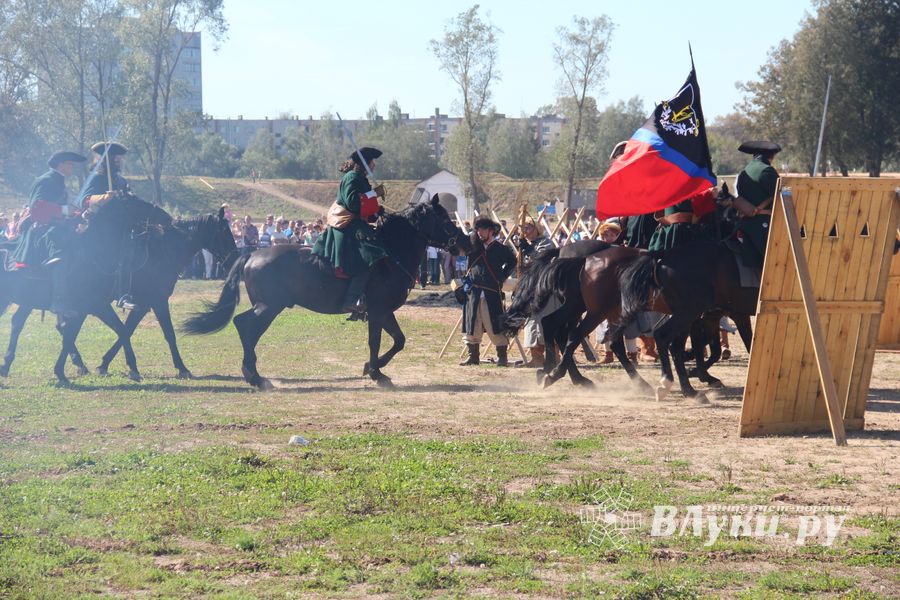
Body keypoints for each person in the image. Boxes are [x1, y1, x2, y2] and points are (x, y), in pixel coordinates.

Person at [10, 150, 88, 316]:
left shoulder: (57, 181)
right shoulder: (46, 180)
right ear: (61, 164)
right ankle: (58, 301)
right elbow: (37, 208)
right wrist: (64, 210)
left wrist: (77, 214)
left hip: (55, 229)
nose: (72, 167)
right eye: (70, 163)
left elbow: (59, 211)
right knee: (61, 255)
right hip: (42, 231)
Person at [312, 147, 388, 313]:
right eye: (372, 162)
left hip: (356, 223)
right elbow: (353, 203)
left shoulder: (360, 178)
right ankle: (352, 299)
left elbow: (364, 206)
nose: (374, 166)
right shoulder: (352, 177)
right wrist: (373, 194)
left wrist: (377, 210)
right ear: (365, 164)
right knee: (370, 257)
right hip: (347, 225)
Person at [459, 217, 516, 367]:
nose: (479, 232)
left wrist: (501, 277)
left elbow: (512, 261)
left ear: (491, 231)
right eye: (478, 229)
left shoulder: (500, 248)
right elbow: (460, 248)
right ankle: (473, 357)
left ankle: (502, 357)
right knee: (472, 324)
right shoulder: (473, 246)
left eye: (483, 229)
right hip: (473, 292)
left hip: (491, 292)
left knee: (494, 325)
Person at [733, 140, 781, 269]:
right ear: (771, 156)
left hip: (745, 224)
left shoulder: (744, 172)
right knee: (779, 262)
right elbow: (781, 197)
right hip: (763, 225)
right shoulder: (766, 171)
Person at [518, 216, 555, 367]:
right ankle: (537, 358)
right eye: (523, 229)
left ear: (536, 229)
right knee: (532, 323)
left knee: (548, 322)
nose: (525, 231)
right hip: (530, 289)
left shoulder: (545, 243)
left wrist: (529, 250)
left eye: (527, 228)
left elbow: (542, 259)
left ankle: (554, 357)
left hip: (545, 287)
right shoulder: (526, 245)